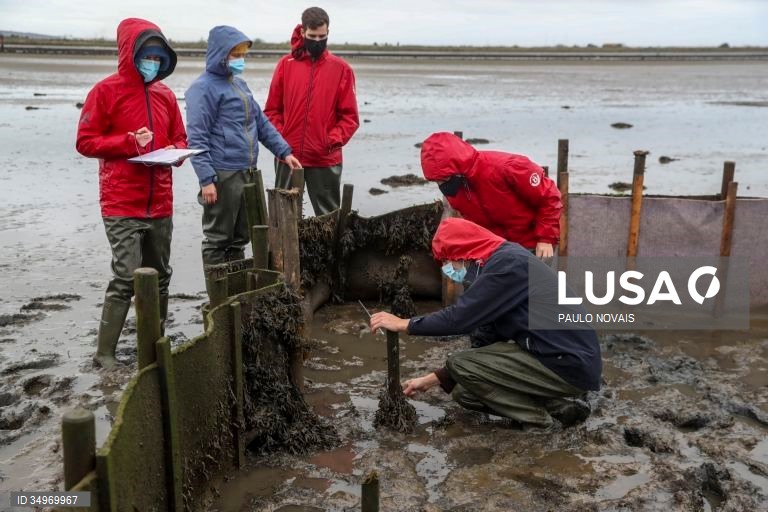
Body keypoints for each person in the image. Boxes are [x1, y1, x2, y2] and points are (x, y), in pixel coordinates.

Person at [369, 218, 602, 428]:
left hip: (568, 362)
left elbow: (460, 318)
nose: (449, 270)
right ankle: (560, 408)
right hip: (545, 354)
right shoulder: (496, 266)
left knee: (458, 362)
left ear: (464, 253)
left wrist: (405, 324)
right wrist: (433, 379)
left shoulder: (508, 264)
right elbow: (484, 339)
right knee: (464, 392)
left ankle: (538, 421)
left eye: (448, 261)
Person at [76, 18, 187, 368]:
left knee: (160, 275)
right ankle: (104, 354)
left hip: (161, 200)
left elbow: (180, 138)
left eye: (157, 57)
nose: (152, 62)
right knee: (126, 275)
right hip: (121, 202)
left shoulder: (166, 95)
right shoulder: (105, 92)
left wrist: (177, 152)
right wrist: (128, 142)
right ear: (130, 54)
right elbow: (85, 142)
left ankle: (154, 344)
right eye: (146, 56)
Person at [186, 26, 301, 267]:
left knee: (241, 236)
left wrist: (284, 151)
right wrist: (206, 179)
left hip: (248, 170)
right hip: (223, 173)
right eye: (235, 55)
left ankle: (235, 281)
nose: (240, 60)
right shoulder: (202, 88)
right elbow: (197, 138)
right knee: (218, 238)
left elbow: (261, 123)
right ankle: (218, 285)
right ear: (221, 55)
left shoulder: (240, 85)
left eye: (242, 55)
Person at [265, 6, 359, 216]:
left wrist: (329, 141)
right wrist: (282, 140)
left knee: (328, 217)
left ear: (328, 33)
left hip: (324, 158)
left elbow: (350, 118)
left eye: (322, 37)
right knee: (284, 215)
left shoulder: (342, 69)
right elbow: (271, 111)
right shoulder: (285, 65)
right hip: (287, 157)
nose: (317, 41)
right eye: (312, 36)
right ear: (303, 32)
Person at [420, 132, 562, 259]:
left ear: (458, 168)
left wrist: (546, 239)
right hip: (494, 251)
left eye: (444, 179)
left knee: (533, 281)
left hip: (531, 246)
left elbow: (549, 197)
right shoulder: (454, 188)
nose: (442, 185)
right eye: (437, 181)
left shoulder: (509, 167)